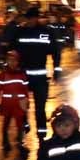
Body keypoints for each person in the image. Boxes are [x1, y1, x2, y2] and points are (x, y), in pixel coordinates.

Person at [12, 8, 60, 139]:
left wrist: (56, 70)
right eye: (29, 18)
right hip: (23, 77)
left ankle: (42, 135)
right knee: (22, 107)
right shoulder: (20, 32)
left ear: (37, 18)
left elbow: (55, 52)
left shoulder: (45, 32)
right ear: (26, 19)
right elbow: (12, 52)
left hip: (40, 78)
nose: (32, 21)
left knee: (40, 109)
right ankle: (24, 127)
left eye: (34, 18)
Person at [0, 50, 30, 148]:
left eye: (14, 60)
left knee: (20, 124)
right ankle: (5, 141)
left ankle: (20, 140)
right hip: (7, 104)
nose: (12, 63)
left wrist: (27, 101)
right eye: (10, 60)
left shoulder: (22, 74)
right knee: (6, 123)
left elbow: (25, 89)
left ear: (18, 61)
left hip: (19, 103)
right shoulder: (3, 75)